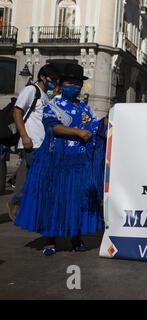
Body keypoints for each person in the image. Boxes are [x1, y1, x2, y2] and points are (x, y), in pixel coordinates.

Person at [15, 63, 107, 256]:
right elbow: (51, 127)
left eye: (76, 83)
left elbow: (95, 128)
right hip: (56, 162)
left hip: (80, 163)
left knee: (78, 201)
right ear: (62, 84)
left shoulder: (85, 109)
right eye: (69, 82)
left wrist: (108, 120)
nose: (73, 86)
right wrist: (77, 132)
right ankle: (50, 241)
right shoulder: (53, 105)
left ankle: (76, 238)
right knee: (54, 199)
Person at [6, 64, 60, 221]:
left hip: (42, 144)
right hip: (32, 143)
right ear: (43, 77)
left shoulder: (44, 95)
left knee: (34, 177)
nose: (54, 82)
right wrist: (24, 137)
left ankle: (21, 205)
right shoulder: (31, 90)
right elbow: (17, 111)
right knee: (41, 177)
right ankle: (19, 203)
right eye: (52, 79)